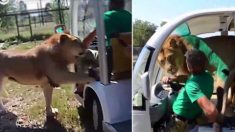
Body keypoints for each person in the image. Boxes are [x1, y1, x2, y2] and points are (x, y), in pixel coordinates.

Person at [163, 49, 218, 131]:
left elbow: (211, 110)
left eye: (187, 63)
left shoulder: (191, 86)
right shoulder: (208, 76)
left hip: (180, 122)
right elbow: (188, 77)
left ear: (190, 67)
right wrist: (172, 79)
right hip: (193, 119)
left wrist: (216, 125)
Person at [83, 0, 132, 80]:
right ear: (123, 4)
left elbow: (85, 43)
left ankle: (80, 88)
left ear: (111, 3)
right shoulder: (130, 16)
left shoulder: (106, 16)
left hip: (112, 62)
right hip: (128, 64)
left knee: (85, 55)